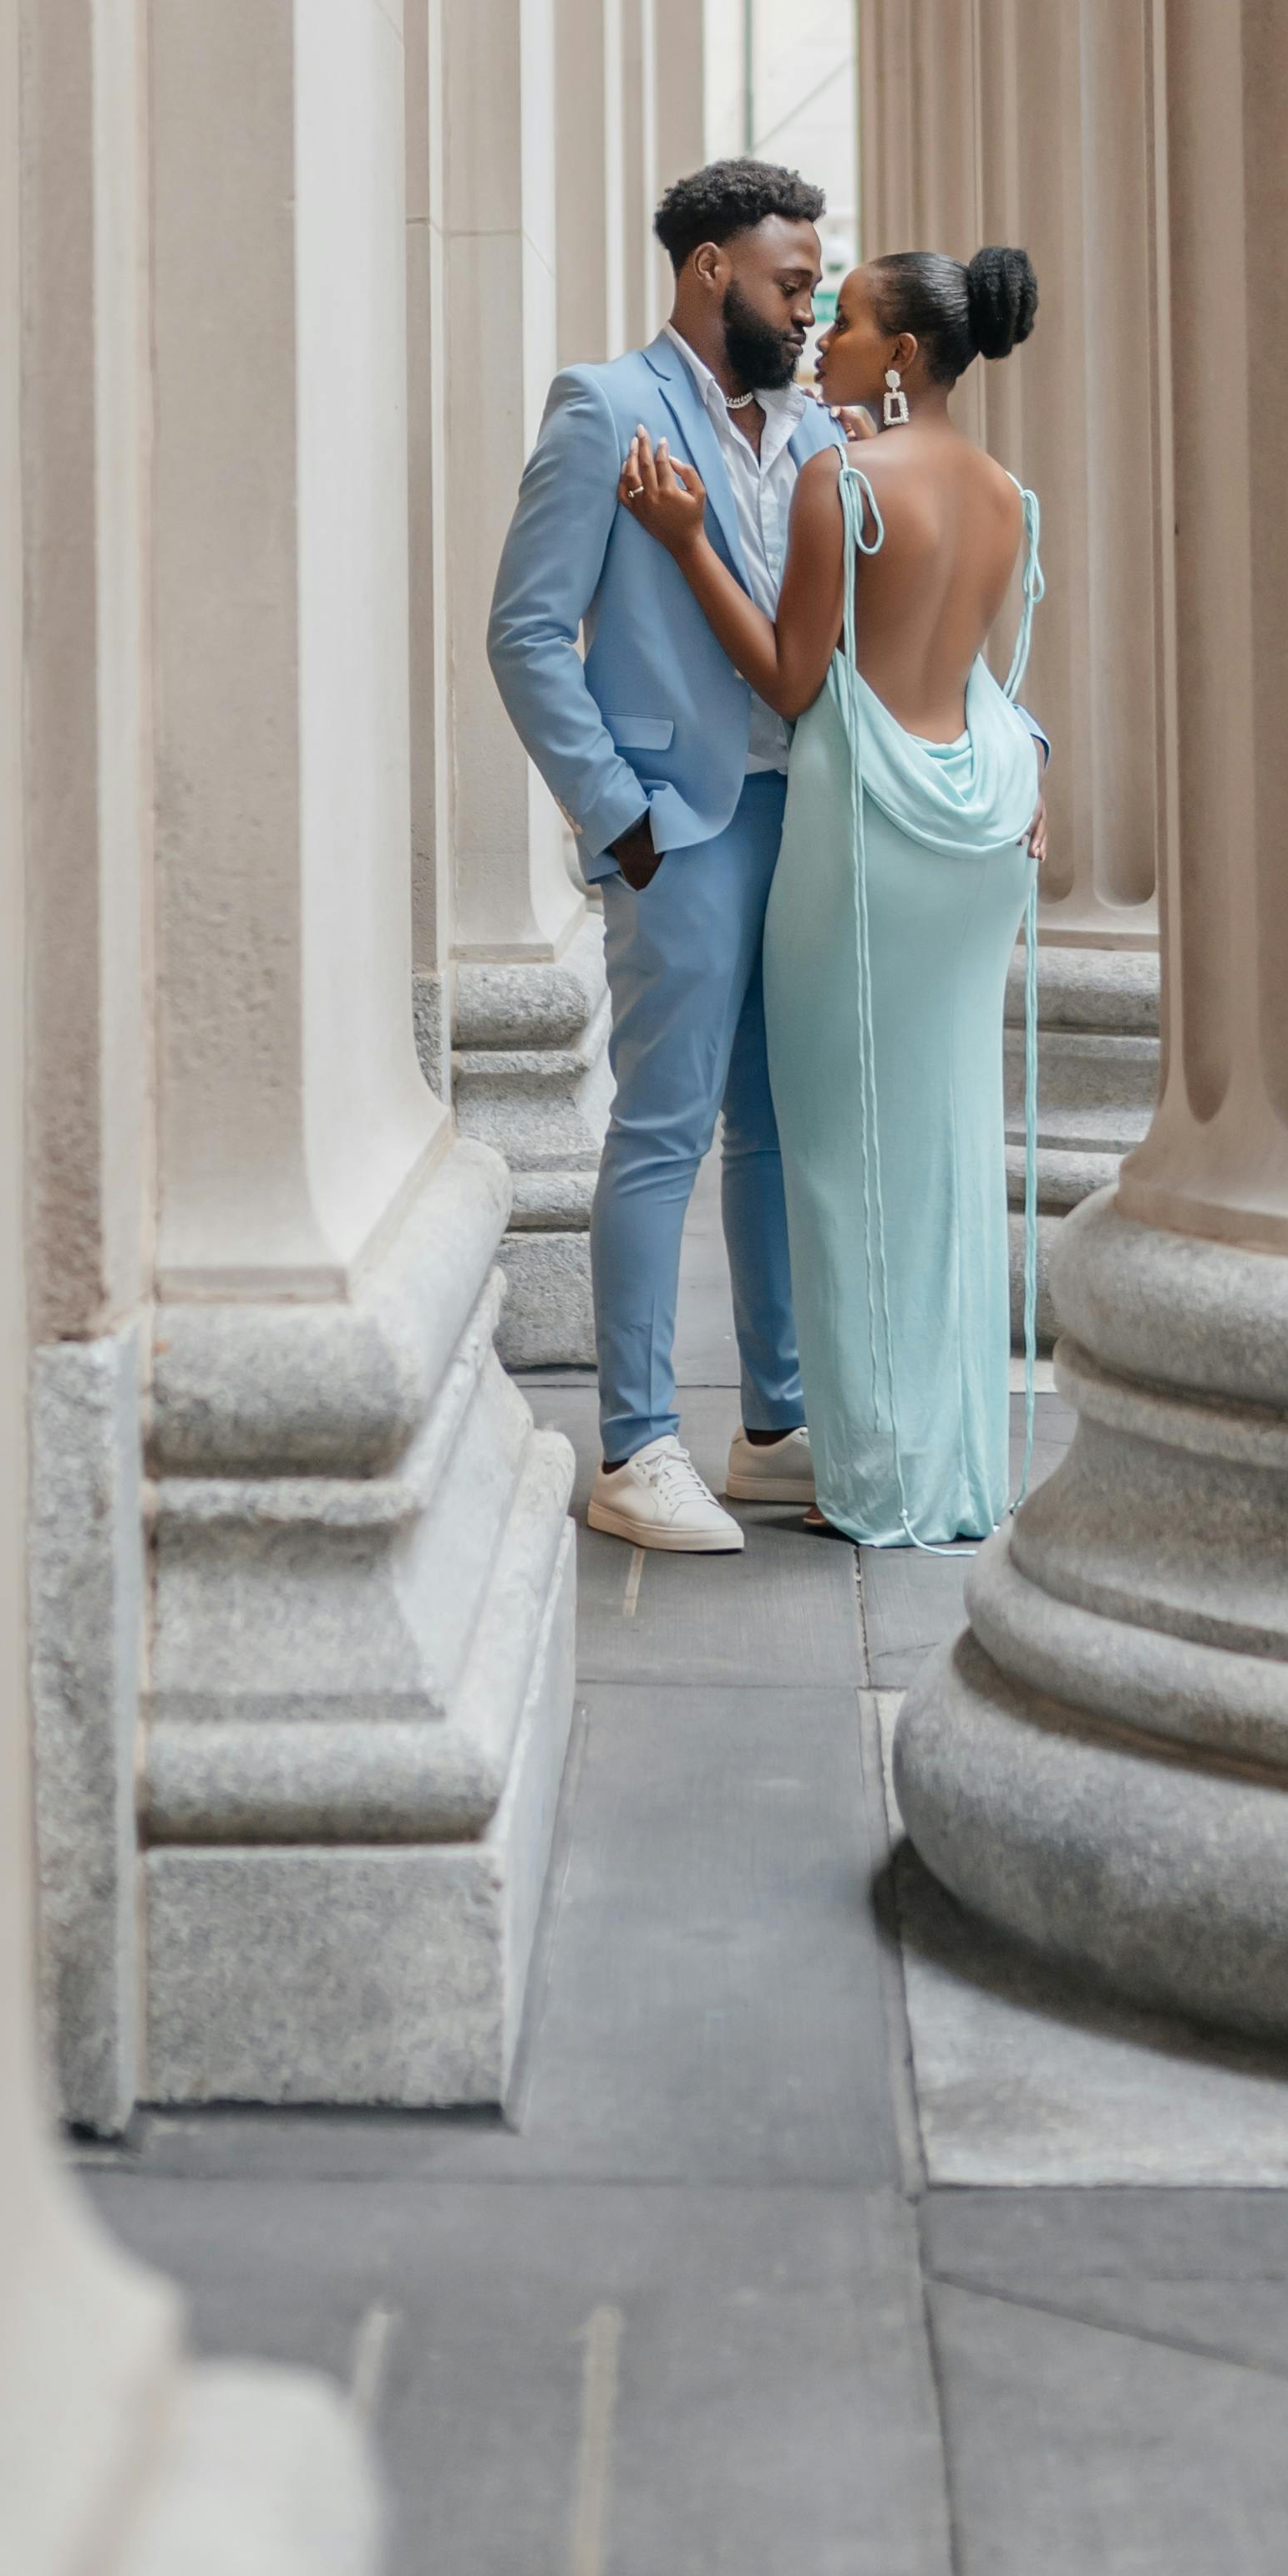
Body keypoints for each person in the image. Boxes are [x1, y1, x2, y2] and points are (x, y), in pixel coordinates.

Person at [617, 242, 1046, 1545]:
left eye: (848, 320)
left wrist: (688, 541)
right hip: (968, 841)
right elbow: (973, 670)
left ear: (902, 354)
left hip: (861, 832)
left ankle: (872, 1475)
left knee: (841, 1156)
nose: (824, 339)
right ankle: (950, 1464)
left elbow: (792, 677)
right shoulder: (1006, 494)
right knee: (945, 1143)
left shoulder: (841, 479)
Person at [484, 160, 844, 1550]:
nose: (806, 307)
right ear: (710, 270)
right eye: (790, 282)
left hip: (798, 815)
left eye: (814, 285)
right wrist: (616, 814)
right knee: (662, 1129)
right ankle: (635, 1449)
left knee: (772, 1126)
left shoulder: (811, 428)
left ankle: (773, 1425)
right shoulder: (604, 405)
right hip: (678, 826)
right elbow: (527, 631)